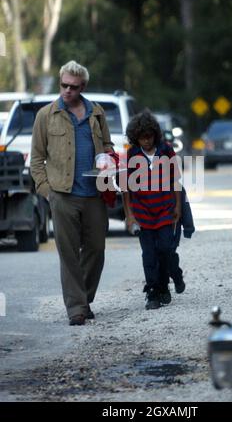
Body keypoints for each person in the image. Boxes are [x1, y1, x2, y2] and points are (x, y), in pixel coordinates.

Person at [30, 60, 114, 325]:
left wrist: (108, 161)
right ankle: (76, 308)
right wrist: (47, 192)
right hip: (62, 195)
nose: (67, 91)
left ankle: (85, 298)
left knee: (96, 250)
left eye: (73, 87)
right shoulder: (46, 115)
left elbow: (108, 144)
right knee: (68, 254)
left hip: (95, 194)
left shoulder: (96, 112)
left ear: (83, 87)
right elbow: (36, 159)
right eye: (63, 85)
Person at [123, 110, 182, 310]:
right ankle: (152, 292)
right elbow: (126, 187)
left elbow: (176, 181)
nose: (146, 141)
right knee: (149, 254)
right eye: (141, 138)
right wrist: (129, 215)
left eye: (149, 137)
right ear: (135, 137)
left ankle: (165, 285)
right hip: (142, 211)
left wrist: (178, 208)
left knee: (165, 249)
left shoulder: (166, 150)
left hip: (165, 209)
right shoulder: (131, 154)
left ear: (154, 134)